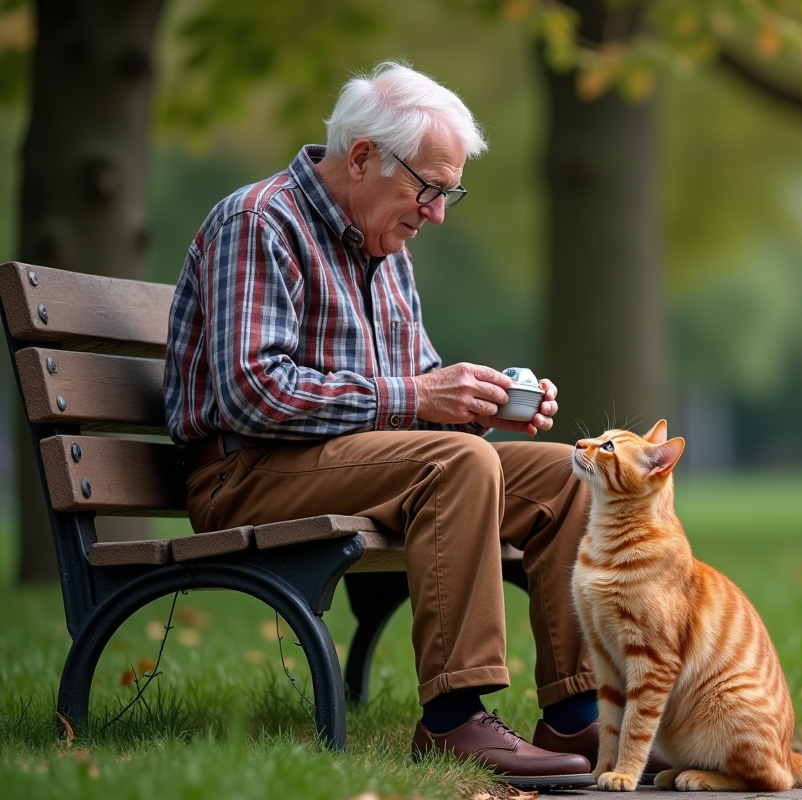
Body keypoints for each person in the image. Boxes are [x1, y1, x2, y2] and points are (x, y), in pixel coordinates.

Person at [163, 60, 608, 788]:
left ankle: (579, 714)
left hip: (356, 465)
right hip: (245, 471)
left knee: (570, 472)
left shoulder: (388, 249)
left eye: (448, 194)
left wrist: (482, 404)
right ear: (363, 156)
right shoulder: (259, 221)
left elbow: (420, 399)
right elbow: (252, 392)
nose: (435, 212)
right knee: (455, 464)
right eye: (428, 188)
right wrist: (422, 401)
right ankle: (453, 721)